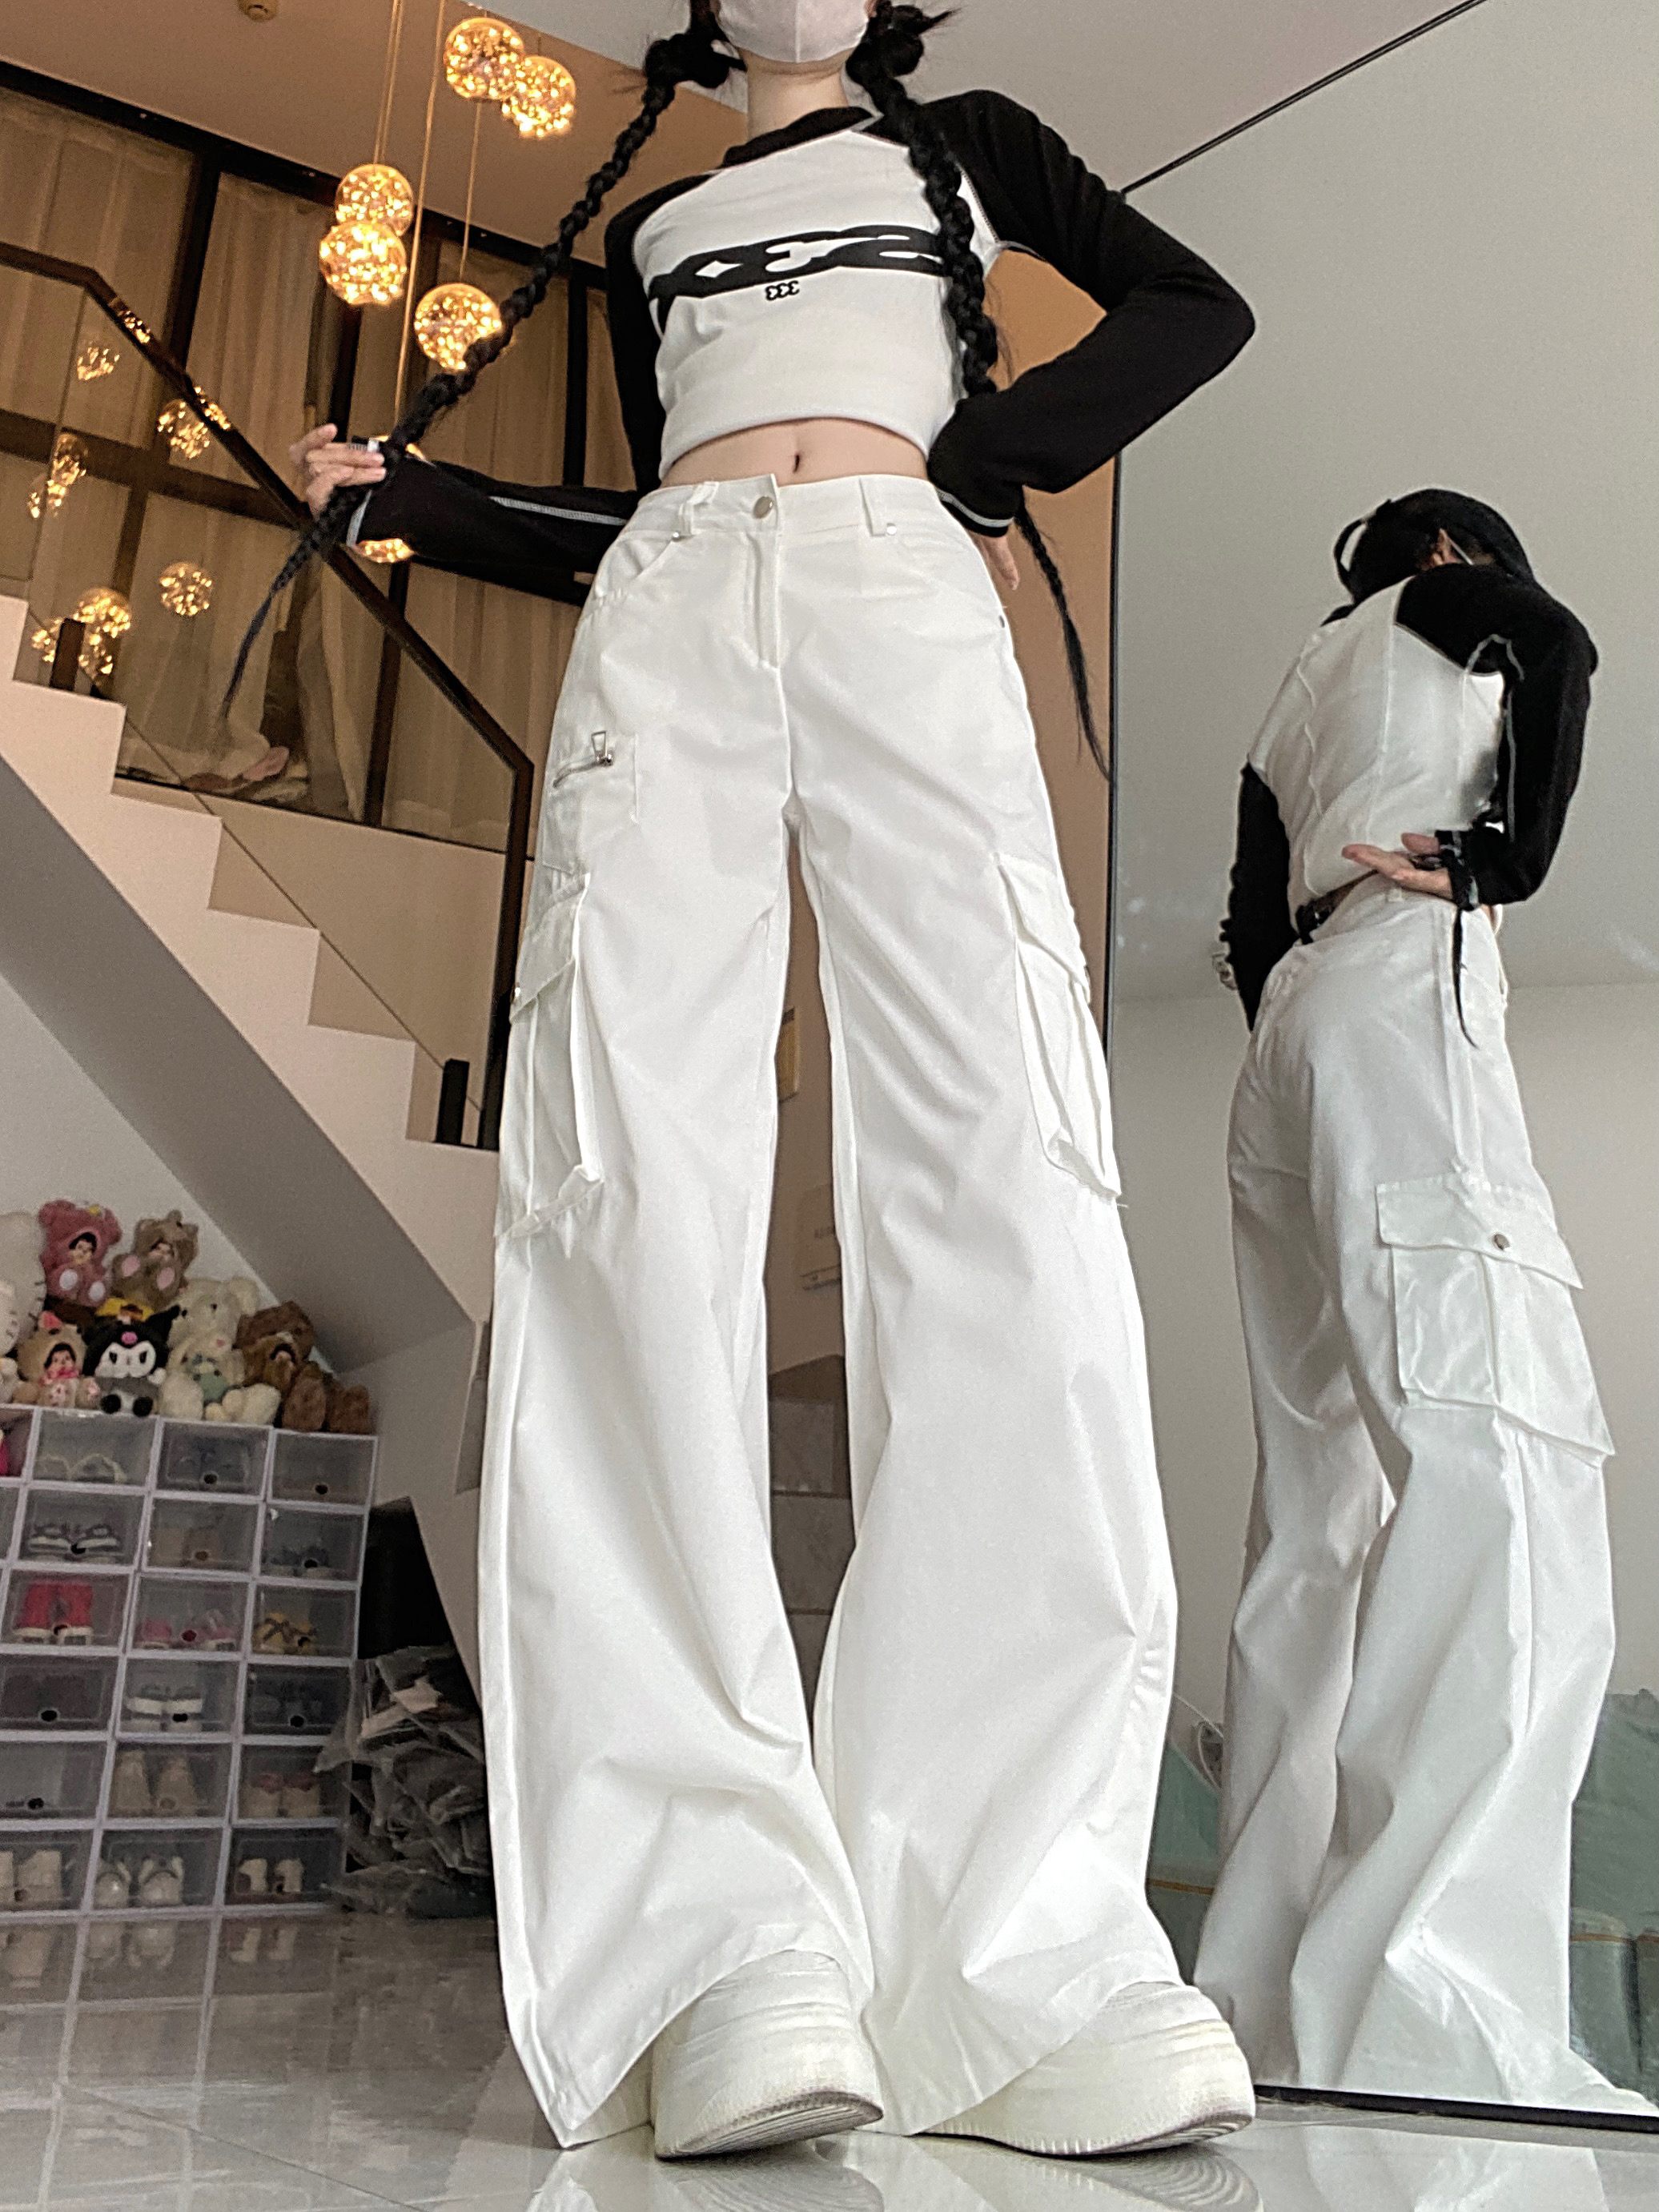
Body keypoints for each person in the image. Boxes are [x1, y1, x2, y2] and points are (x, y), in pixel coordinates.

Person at [281, 0, 1256, 2162]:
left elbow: (1195, 306)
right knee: (625, 1191)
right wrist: (425, 500)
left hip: (907, 582)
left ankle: (1026, 1942)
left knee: (1005, 1167)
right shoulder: (663, 219)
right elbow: (641, 508)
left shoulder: (971, 142)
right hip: (673, 615)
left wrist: (982, 458)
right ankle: (710, 1944)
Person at [1199, 489, 1654, 2115]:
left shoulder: (1294, 697)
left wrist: (1305, 1022)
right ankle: (1427, 2010)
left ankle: (1261, 2010)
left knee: (1314, 1524)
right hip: (1399, 976)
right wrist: (1496, 858)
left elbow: (1247, 925)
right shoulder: (1447, 608)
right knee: (1502, 1463)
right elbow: (1555, 643)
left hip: (1295, 1043)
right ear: (1456, 557)